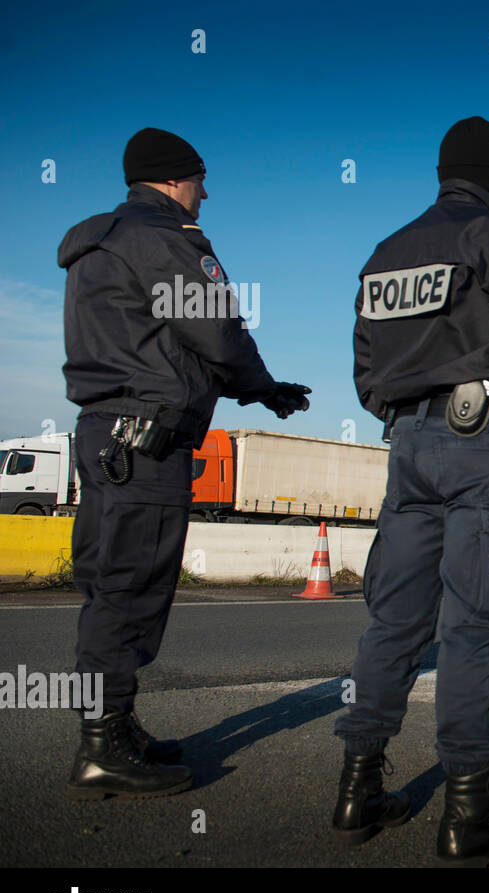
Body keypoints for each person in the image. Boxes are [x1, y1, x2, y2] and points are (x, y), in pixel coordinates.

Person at [333, 116, 489, 865]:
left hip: (407, 449)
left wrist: (410, 417)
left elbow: (364, 372)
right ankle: (469, 814)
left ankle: (356, 789)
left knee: (392, 623)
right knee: (473, 625)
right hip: (483, 447)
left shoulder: (385, 255)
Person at [58, 127, 310, 799]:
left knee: (108, 583)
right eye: (199, 178)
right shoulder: (163, 237)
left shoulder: (96, 243)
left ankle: (114, 725)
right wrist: (262, 385)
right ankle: (103, 743)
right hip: (146, 442)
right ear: (172, 180)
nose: (206, 191)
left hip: (102, 432)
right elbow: (215, 326)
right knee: (132, 587)